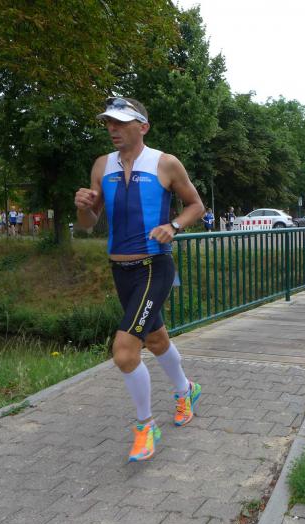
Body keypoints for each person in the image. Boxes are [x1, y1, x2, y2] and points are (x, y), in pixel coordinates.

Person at [74, 96, 205, 462]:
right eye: (108, 122)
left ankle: (146, 427)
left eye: (120, 122)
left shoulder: (165, 163)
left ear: (142, 126)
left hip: (154, 266)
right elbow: (88, 224)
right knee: (156, 338)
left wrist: (173, 226)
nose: (112, 129)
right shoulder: (102, 165)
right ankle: (186, 390)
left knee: (124, 350)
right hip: (121, 269)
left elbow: (196, 205)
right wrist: (83, 208)